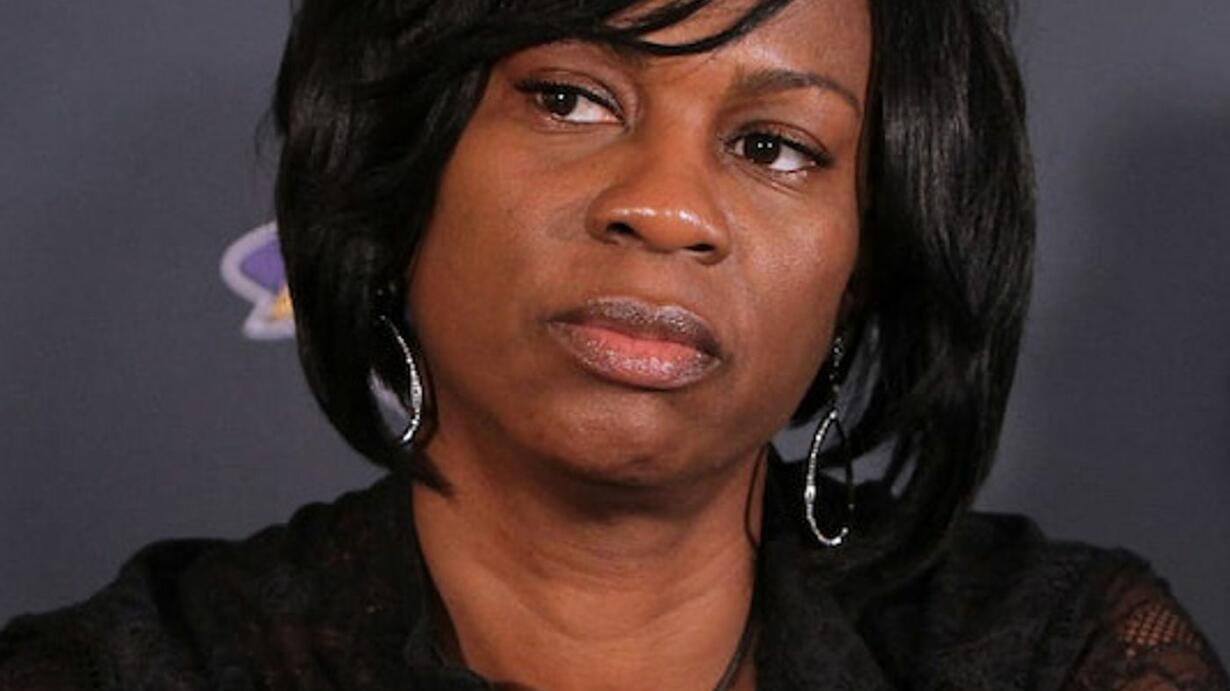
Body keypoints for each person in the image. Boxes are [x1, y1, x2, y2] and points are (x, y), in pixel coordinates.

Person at [1, 0, 1225, 688]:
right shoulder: (129, 670)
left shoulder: (1064, 654)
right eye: (570, 98)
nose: (668, 208)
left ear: (863, 272)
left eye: (776, 147)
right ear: (399, 172)